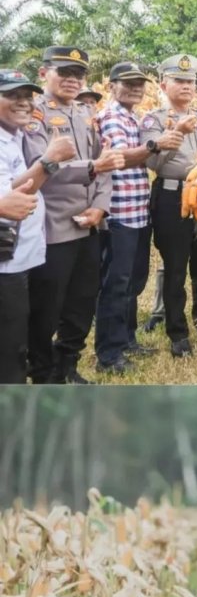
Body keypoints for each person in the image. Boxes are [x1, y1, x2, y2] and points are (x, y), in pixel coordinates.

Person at [25, 46, 124, 384]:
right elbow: (40, 167)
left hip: (89, 225)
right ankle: (43, 373)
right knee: (46, 308)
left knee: (82, 303)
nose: (72, 80)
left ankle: (68, 364)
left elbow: (106, 164)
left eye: (78, 74)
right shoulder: (34, 115)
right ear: (43, 74)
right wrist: (93, 167)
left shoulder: (85, 113)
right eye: (63, 72)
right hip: (53, 226)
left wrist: (100, 206)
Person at [94, 62, 182, 374]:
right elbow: (118, 158)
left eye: (139, 84)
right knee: (116, 285)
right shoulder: (110, 117)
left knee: (133, 281)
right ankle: (108, 354)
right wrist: (155, 144)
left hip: (137, 212)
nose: (134, 88)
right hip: (118, 214)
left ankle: (127, 339)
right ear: (111, 86)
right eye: (127, 83)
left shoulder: (132, 117)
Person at [139, 54, 197, 357]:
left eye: (191, 81)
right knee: (175, 266)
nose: (186, 86)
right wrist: (177, 134)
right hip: (173, 195)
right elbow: (154, 161)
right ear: (163, 84)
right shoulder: (155, 120)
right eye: (179, 81)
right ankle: (177, 332)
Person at [0, 68, 74, 383]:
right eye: (11, 95)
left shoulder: (13, 137)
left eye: (27, 96)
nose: (23, 102)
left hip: (25, 257)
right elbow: (13, 200)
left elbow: (13, 186)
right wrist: (48, 160)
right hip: (7, 264)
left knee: (23, 336)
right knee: (10, 350)